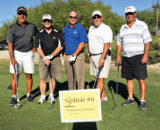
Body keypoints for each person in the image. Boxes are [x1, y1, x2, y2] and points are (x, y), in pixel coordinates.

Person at [116, 6, 152, 110]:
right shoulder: (123, 28)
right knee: (129, 79)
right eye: (127, 14)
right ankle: (131, 98)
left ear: (135, 14)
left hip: (139, 57)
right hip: (126, 57)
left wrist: (145, 55)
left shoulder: (142, 25)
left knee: (141, 79)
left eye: (131, 13)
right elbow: (119, 43)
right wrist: (118, 56)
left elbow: (147, 42)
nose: (129, 15)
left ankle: (142, 101)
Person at [7, 6, 38, 105]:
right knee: (15, 75)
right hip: (16, 53)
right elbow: (10, 44)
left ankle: (29, 95)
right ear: (17, 15)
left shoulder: (32, 26)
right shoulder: (12, 27)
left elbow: (38, 36)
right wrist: (12, 58)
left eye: (24, 14)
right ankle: (13, 97)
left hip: (28, 52)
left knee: (29, 75)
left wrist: (35, 47)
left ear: (26, 15)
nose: (22, 15)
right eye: (20, 13)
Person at [35, 14, 64, 104]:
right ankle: (43, 96)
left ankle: (51, 95)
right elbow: (38, 47)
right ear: (43, 22)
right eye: (45, 21)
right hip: (43, 58)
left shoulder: (57, 32)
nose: (47, 22)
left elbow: (61, 46)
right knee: (42, 78)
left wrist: (50, 56)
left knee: (52, 77)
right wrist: (44, 58)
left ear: (51, 21)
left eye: (48, 20)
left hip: (54, 58)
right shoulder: (39, 33)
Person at [88, 10, 113, 102]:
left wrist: (102, 58)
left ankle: (97, 100)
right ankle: (104, 96)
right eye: (94, 17)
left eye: (98, 17)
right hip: (93, 56)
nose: (96, 19)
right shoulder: (91, 28)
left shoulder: (106, 28)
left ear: (101, 18)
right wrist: (89, 54)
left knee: (101, 78)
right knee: (97, 77)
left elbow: (107, 44)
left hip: (102, 55)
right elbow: (89, 42)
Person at [63, 11, 88, 90]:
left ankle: (80, 97)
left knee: (79, 78)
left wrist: (75, 54)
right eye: (71, 17)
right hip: (67, 55)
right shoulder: (65, 28)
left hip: (78, 56)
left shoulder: (81, 28)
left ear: (77, 18)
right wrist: (64, 53)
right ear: (68, 18)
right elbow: (64, 42)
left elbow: (82, 43)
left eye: (75, 17)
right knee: (70, 78)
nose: (73, 19)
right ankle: (72, 96)